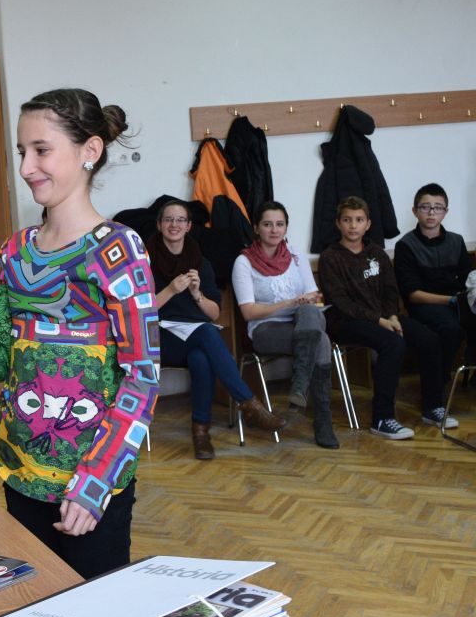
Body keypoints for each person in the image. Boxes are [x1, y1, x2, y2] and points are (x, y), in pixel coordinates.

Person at [0, 88, 157, 579]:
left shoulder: (118, 250)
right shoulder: (14, 252)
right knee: (33, 601)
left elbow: (142, 378)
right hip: (19, 473)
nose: (27, 168)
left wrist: (95, 483)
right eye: (22, 152)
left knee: (95, 605)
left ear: (90, 151)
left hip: (91, 488)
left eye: (41, 150)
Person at [148, 200, 287, 460]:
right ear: (159, 225)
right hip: (159, 338)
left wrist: (196, 294)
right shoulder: (145, 262)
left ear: (189, 226)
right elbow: (139, 312)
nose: (174, 225)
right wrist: (171, 290)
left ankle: (201, 434)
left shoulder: (201, 263)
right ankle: (249, 403)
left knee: (201, 357)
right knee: (206, 333)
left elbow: (212, 313)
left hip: (195, 336)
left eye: (180, 220)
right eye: (168, 219)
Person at [318, 196, 453, 440]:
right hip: (346, 323)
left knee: (429, 338)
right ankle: (382, 418)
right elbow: (342, 303)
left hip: (384, 318)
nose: (353, 225)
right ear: (338, 223)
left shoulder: (377, 253)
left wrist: (392, 316)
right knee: (393, 343)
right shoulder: (330, 257)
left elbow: (391, 291)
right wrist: (380, 321)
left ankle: (432, 407)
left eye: (359, 220)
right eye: (347, 220)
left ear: (368, 224)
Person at [232, 201, 338, 449]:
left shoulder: (296, 256)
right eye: (267, 224)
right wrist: (288, 303)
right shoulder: (244, 262)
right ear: (256, 228)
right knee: (321, 340)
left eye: (279, 224)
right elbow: (248, 312)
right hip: (265, 329)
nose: (274, 230)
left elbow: (314, 295)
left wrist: (308, 300)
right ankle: (321, 419)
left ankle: (300, 389)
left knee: (310, 313)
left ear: (286, 227)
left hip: (302, 320)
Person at [393, 183, 473, 403]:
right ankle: (438, 382)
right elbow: (413, 294)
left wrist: (462, 299)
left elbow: (468, 279)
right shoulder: (405, 245)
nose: (431, 212)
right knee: (451, 329)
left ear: (445, 212)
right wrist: (451, 300)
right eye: (425, 207)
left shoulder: (456, 241)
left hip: (457, 302)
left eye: (437, 207)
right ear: (415, 211)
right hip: (425, 305)